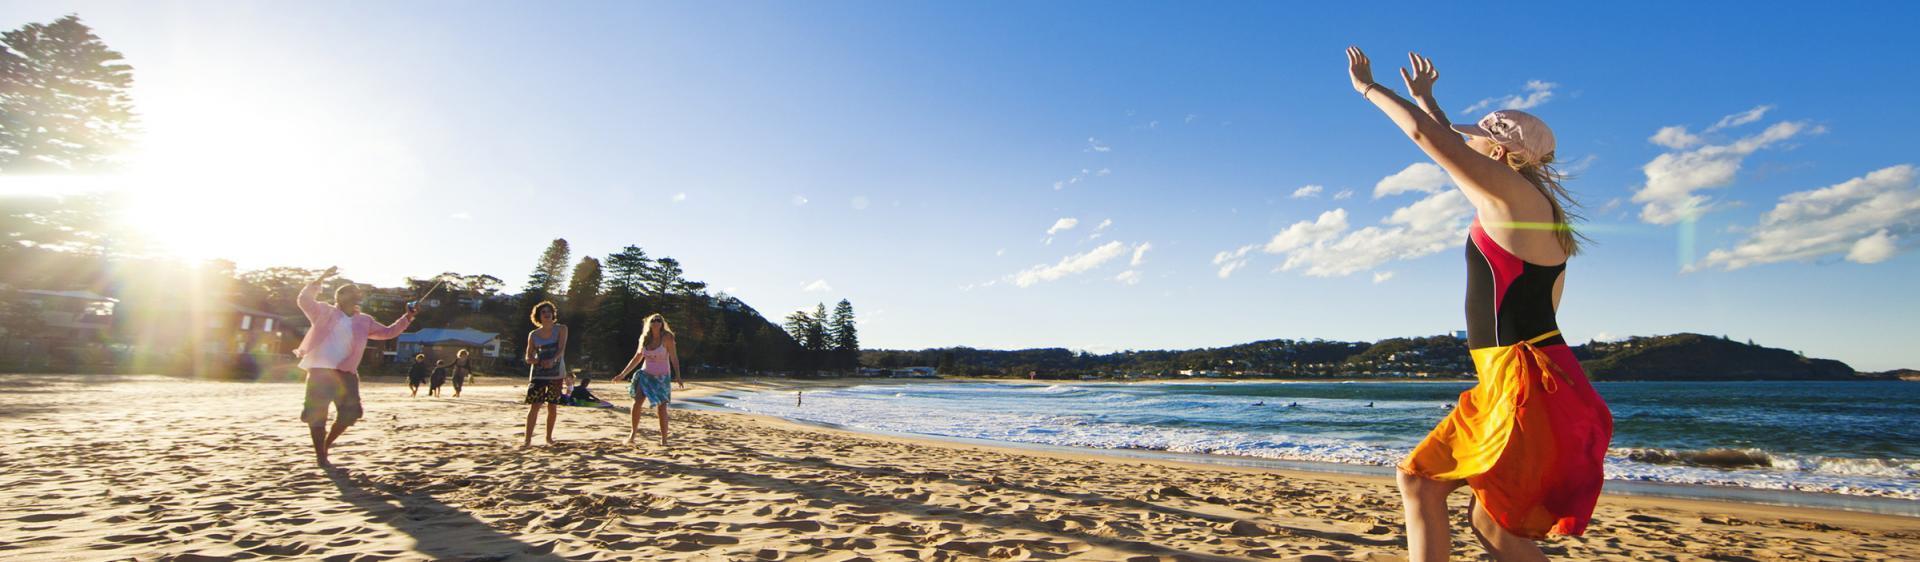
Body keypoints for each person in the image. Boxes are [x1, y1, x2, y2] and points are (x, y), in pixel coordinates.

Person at [1346, 47, 1612, 561]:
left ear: (1503, 153)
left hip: (1525, 380)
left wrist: (1369, 89)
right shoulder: (1523, 201)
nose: (1473, 148)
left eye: (1483, 142)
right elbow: (1450, 146)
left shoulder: (1516, 200)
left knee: (1494, 523)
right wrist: (1427, 99)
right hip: (1510, 377)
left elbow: (1431, 140)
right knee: (1426, 486)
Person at [293, 266, 417, 470]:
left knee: (351, 414)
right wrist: (320, 279)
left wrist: (408, 317)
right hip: (320, 371)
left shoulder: (364, 321)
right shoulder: (324, 311)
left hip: (346, 374)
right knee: (316, 415)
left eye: (357, 291)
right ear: (339, 296)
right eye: (350, 290)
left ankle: (325, 445)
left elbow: (388, 332)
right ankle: (321, 456)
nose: (356, 294)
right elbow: (304, 300)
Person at [612, 313, 685, 446]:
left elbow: (674, 358)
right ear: (649, 324)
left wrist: (678, 376)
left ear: (662, 323)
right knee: (637, 402)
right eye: (653, 320)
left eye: (659, 320)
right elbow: (637, 358)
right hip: (646, 375)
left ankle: (664, 439)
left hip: (662, 377)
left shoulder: (668, 337)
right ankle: (632, 435)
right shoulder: (644, 338)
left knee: (661, 408)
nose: (656, 322)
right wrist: (622, 374)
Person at [522, 301, 568, 447]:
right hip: (539, 374)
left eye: (549, 311)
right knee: (535, 405)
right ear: (538, 316)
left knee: (552, 406)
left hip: (556, 373)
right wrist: (537, 361)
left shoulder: (561, 329)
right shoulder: (533, 335)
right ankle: (527, 440)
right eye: (543, 312)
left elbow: (561, 349)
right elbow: (528, 357)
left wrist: (552, 360)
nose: (547, 314)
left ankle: (548, 438)